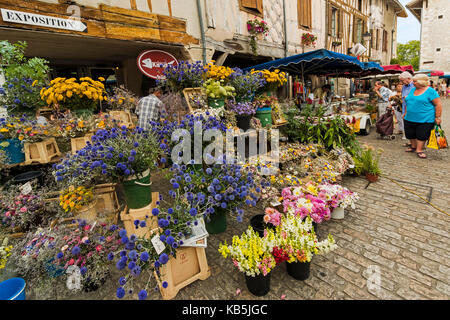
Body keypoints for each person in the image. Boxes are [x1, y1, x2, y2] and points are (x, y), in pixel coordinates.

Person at [404, 74, 442, 159]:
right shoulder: (413, 90)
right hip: (409, 117)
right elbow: (408, 101)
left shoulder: (430, 91)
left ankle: (419, 150)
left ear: (421, 82)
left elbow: (438, 104)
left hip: (425, 119)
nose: (412, 83)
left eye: (414, 81)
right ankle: (413, 147)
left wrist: (437, 117)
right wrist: (405, 112)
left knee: (422, 135)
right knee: (410, 134)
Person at [399, 71, 415, 142]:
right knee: (407, 126)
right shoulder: (403, 87)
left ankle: (416, 144)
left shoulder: (414, 85)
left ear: (408, 78)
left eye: (402, 81)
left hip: (412, 109)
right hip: (404, 109)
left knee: (413, 126)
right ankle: (411, 142)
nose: (402, 82)